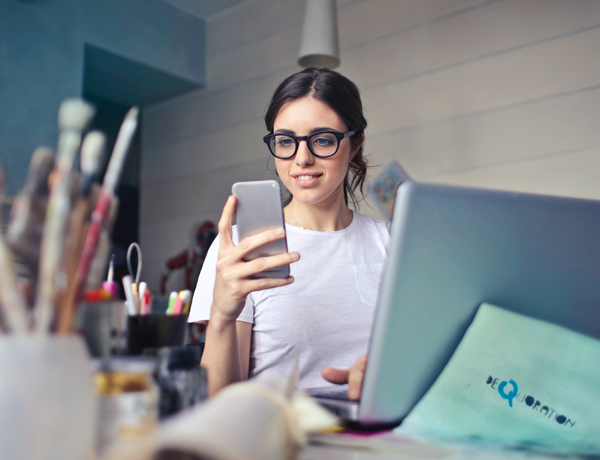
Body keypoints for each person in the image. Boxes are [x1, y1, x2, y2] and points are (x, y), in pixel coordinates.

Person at [188, 67, 390, 398]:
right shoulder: (241, 248)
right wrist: (222, 316)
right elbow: (219, 404)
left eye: (323, 140)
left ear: (355, 144)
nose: (302, 158)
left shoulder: (392, 243)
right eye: (286, 141)